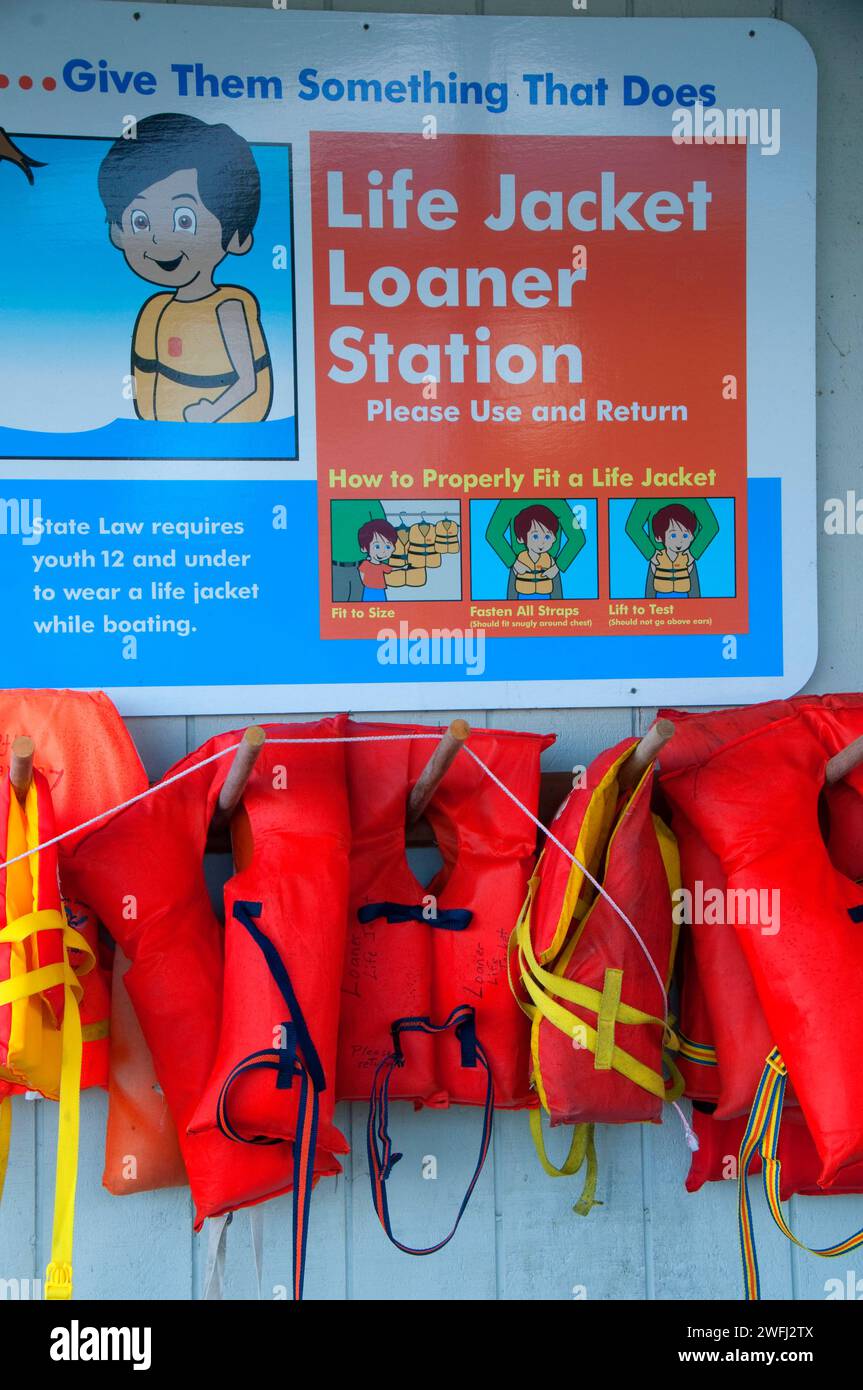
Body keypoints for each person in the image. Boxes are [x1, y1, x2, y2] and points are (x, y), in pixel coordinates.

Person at [98, 113, 272, 423]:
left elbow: (248, 383)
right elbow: (146, 380)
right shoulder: (155, 310)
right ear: (118, 232)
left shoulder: (228, 307)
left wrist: (211, 413)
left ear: (235, 238)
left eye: (184, 220)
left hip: (224, 430)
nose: (157, 237)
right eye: (140, 221)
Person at [485, 498, 584, 600]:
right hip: (520, 569)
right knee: (514, 612)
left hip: (550, 569)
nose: (541, 543)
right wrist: (514, 563)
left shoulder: (558, 502)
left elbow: (577, 538)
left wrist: (557, 567)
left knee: (556, 612)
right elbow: (493, 534)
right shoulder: (509, 502)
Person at [645, 503, 701, 598]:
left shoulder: (687, 558)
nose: (680, 541)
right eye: (673, 535)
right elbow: (650, 585)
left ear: (692, 537)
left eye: (685, 536)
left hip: (683, 597)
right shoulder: (657, 558)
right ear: (659, 537)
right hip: (660, 599)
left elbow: (693, 585)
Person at [511, 505, 561, 597]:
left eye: (547, 537)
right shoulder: (520, 559)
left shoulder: (549, 559)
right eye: (535, 536)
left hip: (546, 597)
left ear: (554, 538)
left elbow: (556, 581)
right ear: (521, 538)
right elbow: (512, 581)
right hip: (523, 596)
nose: (542, 543)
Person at [357, 520, 398, 601]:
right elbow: (361, 574)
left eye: (388, 547)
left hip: (380, 589)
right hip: (369, 589)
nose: (383, 552)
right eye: (377, 547)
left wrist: (404, 567)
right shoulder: (366, 564)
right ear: (364, 548)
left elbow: (392, 569)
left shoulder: (382, 566)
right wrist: (366, 583)